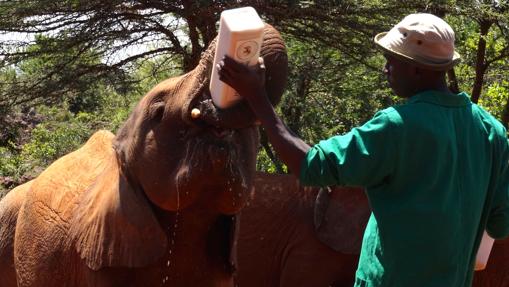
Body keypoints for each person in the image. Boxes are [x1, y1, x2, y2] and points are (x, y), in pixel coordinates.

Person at [217, 13, 509, 287]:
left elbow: (311, 165)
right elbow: (500, 224)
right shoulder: (492, 132)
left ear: (417, 67)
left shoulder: (398, 126)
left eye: (392, 60)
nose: (386, 68)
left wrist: (258, 98)